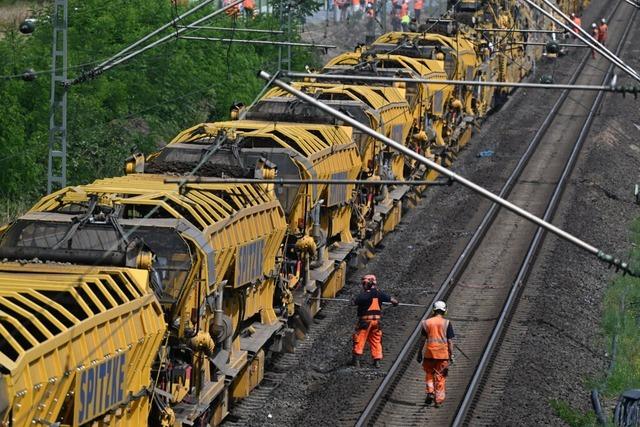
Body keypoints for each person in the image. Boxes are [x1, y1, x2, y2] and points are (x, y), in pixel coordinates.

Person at [351, 274, 399, 368]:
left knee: (360, 339)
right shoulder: (379, 293)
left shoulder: (364, 294)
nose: (363, 285)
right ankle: (377, 361)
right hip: (376, 322)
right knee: (376, 340)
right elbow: (394, 301)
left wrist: (352, 301)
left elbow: (354, 302)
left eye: (364, 283)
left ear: (367, 283)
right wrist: (395, 303)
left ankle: (356, 361)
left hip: (365, 322)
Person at [416, 300, 455, 407]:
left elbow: (422, 340)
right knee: (440, 376)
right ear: (444, 311)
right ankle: (438, 400)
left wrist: (419, 353)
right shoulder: (447, 323)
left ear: (434, 310)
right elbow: (450, 342)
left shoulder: (426, 323)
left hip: (429, 354)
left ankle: (430, 391)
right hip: (442, 355)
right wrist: (451, 355)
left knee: (429, 373)